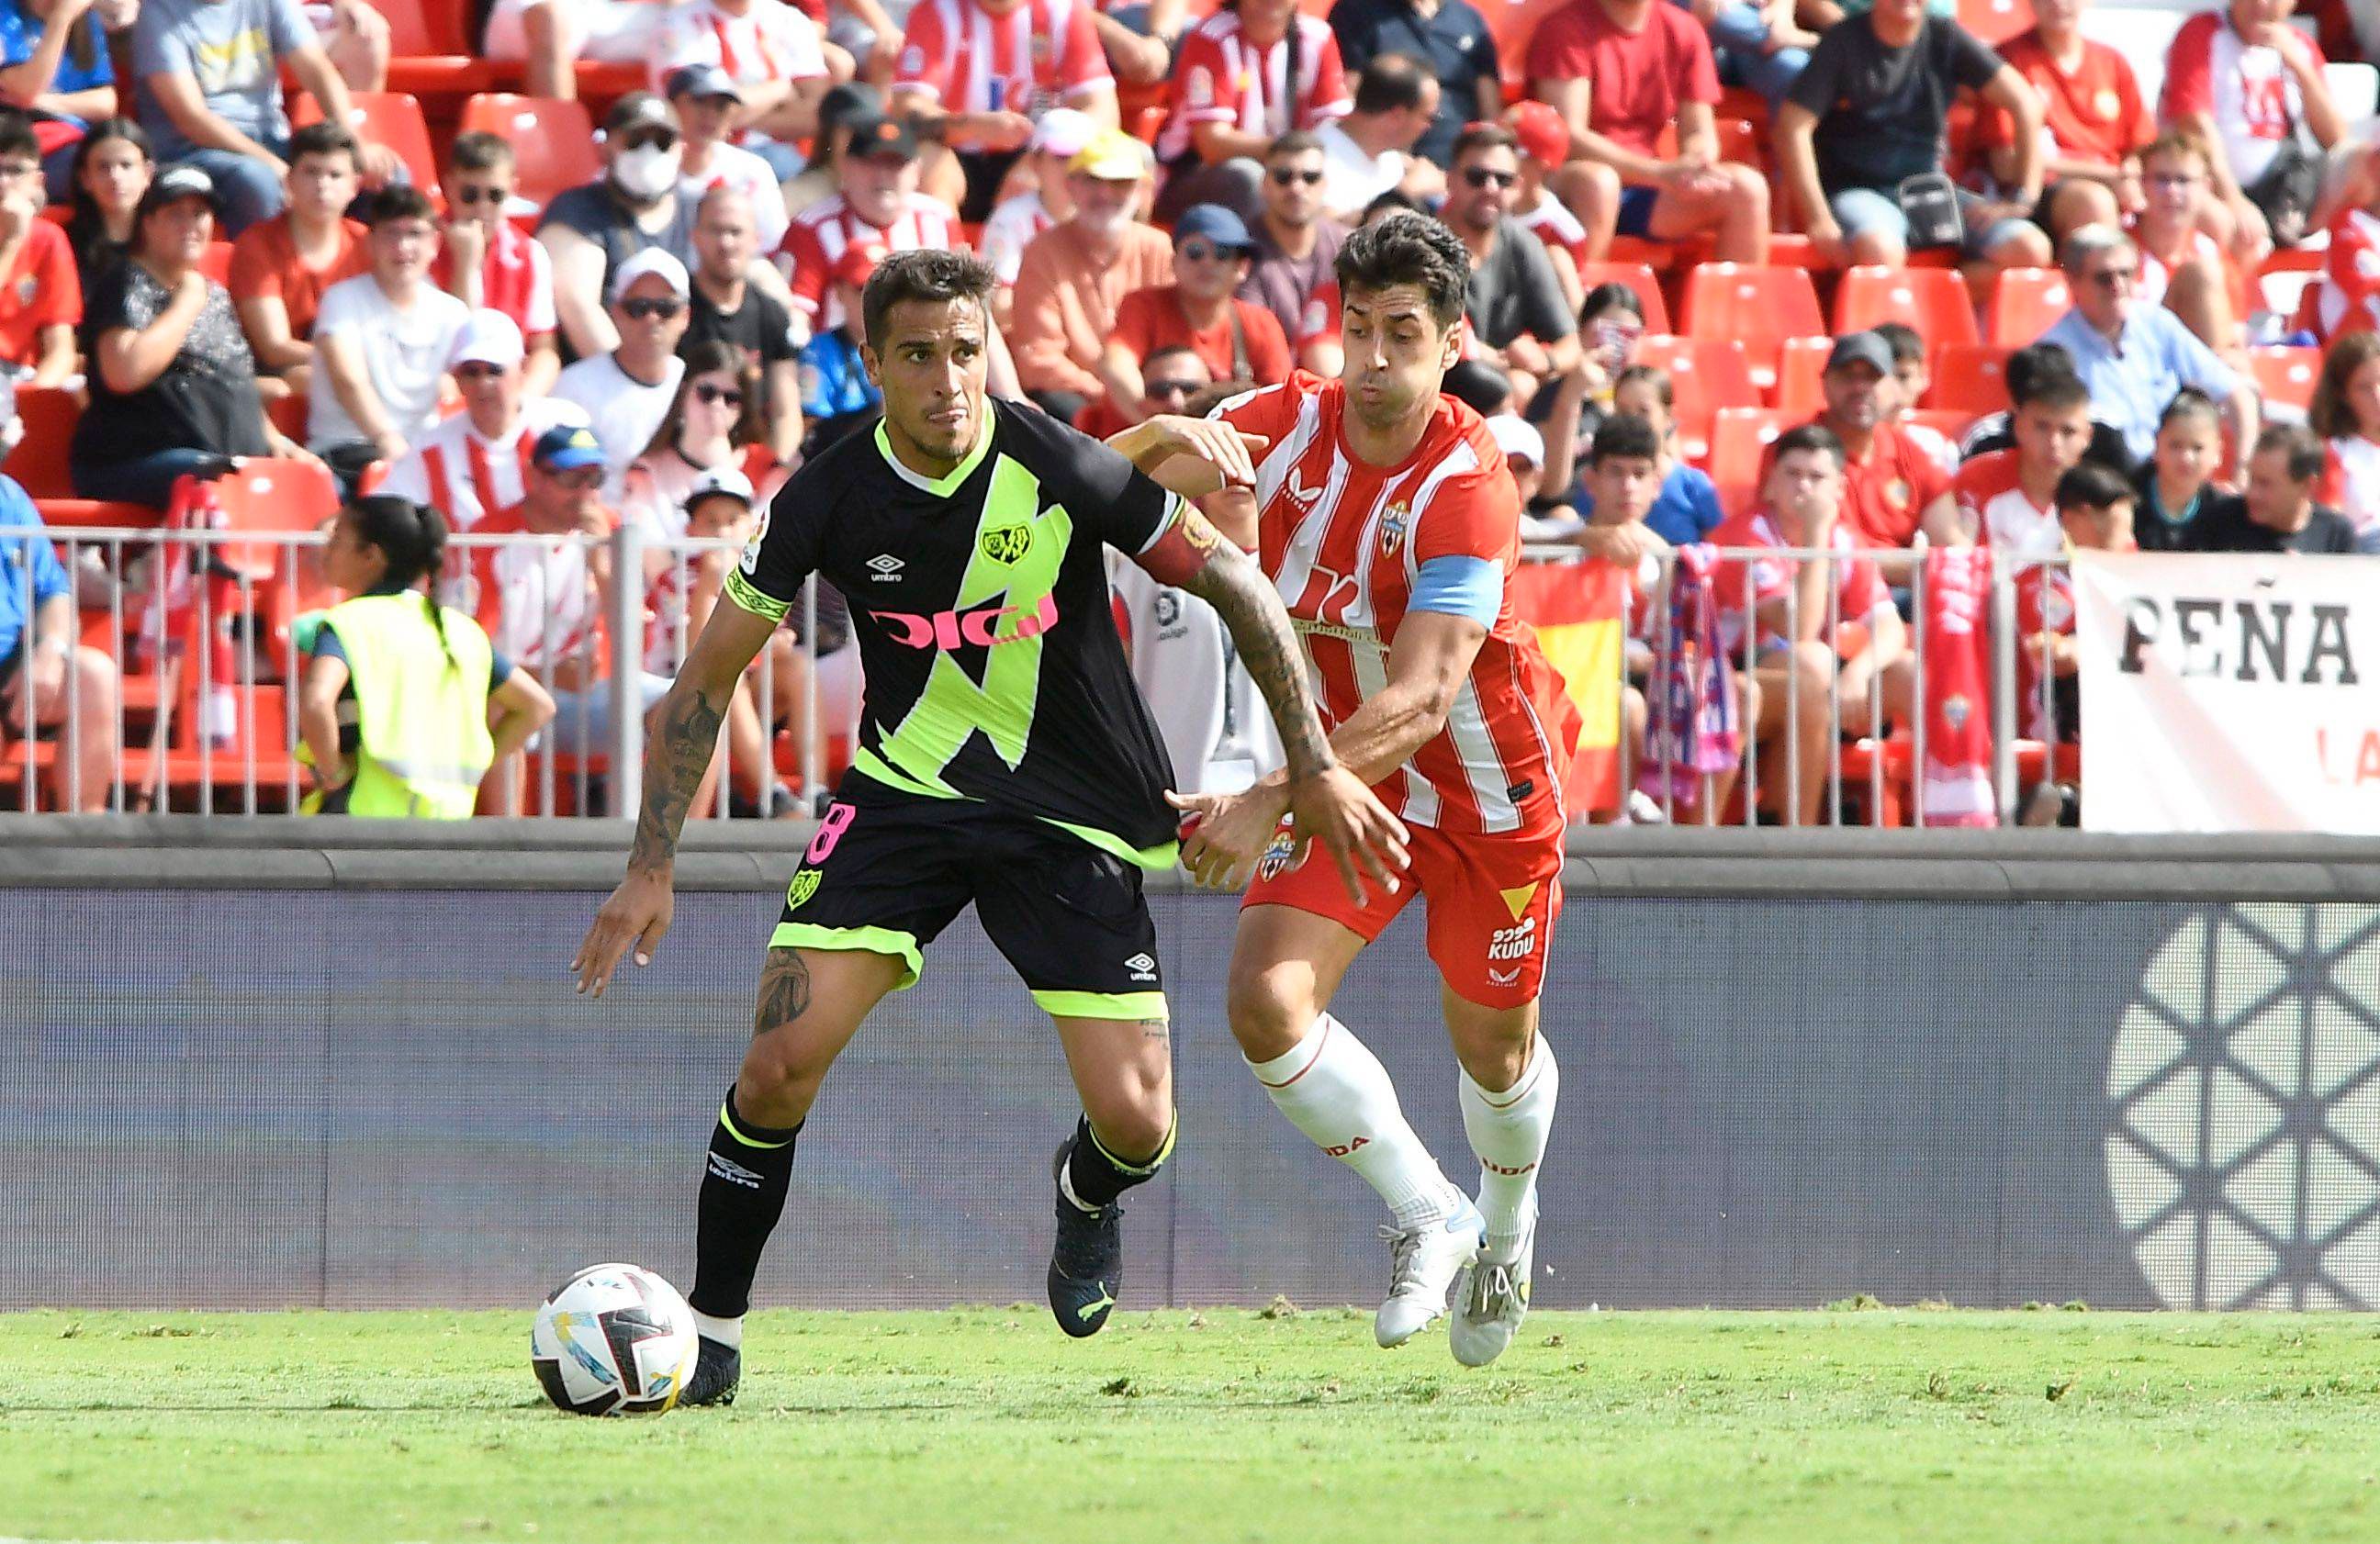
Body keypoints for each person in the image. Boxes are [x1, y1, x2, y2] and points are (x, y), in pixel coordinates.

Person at [571, 248, 1399, 1398]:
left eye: (966, 351)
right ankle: (710, 1337)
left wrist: (1306, 768)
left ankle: (1086, 1190)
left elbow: (1241, 588)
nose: (948, 379)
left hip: (1075, 814)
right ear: (872, 365)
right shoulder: (824, 493)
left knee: (1140, 1123)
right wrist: (648, 867)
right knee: (775, 1065)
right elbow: (705, 681)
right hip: (902, 800)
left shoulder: (1054, 460)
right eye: (918, 355)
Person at [1167, 212, 1579, 1367]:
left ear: (1452, 341)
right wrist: (1149, 435)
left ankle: (1505, 1227)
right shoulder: (1282, 422)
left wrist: (1266, 799)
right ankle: (1426, 1209)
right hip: (1353, 784)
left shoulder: (1469, 482)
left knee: (1493, 1050)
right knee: (1263, 1003)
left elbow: (1427, 694)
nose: (1378, 356)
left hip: (1487, 792)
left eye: (1405, 332)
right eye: (1359, 329)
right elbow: (1128, 479)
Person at [1708, 422, 1913, 828]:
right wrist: (1817, 535)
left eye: (1817, 477)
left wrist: (1858, 674)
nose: (1803, 486)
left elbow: (1889, 626)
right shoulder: (1742, 540)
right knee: (1812, 659)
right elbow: (1798, 628)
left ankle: (1946, 820)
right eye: (1792, 473)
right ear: (1770, 483)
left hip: (1815, 682)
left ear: (1839, 488)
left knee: (1908, 670)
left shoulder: (1846, 540)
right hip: (1736, 678)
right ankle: (1796, 830)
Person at [299, 496, 555, 818]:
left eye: (337, 540)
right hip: (447, 824)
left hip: (362, 818)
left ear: (370, 556)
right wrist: (478, 764)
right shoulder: (462, 631)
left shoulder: (350, 622)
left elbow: (316, 701)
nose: (327, 550)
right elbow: (537, 706)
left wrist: (332, 770)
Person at [71, 167, 310, 508]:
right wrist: (185, 304)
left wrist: (272, 439)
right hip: (138, 459)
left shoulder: (213, 293)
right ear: (148, 223)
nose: (190, 225)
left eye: (199, 214)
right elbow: (123, 372)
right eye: (175, 214)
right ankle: (162, 563)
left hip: (227, 454)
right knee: (221, 481)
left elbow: (232, 378)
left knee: (319, 485)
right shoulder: (125, 281)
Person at [1775, 0, 2050, 282]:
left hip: (1928, 189)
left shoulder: (1945, 35)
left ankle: (1936, 302)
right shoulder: (1843, 41)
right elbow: (1792, 126)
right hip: (1858, 189)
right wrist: (1818, 217)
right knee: (1879, 250)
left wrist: (2023, 197)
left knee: (2030, 250)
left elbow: (2025, 103)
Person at [1528, 0, 1771, 265]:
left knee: (1747, 189)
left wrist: (1695, 162)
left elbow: (1699, 130)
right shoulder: (1565, 29)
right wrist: (1658, 173)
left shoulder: (1683, 28)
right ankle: (1584, 301)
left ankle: (1738, 304)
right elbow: (1569, 137)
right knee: (1600, 183)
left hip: (1646, 188)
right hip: (1574, 182)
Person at [129, 0, 394, 236]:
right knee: (260, 183)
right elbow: (191, 117)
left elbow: (317, 70)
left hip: (269, 138)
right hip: (193, 150)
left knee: (385, 175)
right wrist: (273, 165)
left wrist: (353, 145)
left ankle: (367, 280)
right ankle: (267, 279)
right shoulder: (158, 12)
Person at [2037, 223, 2257, 466]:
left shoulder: (2157, 324)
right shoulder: (2054, 352)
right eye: (2104, 278)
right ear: (2073, 283)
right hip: (2105, 482)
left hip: (2168, 478)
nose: (2118, 286)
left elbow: (2237, 395)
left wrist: (2243, 470)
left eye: (2126, 274)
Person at [889, 0, 1120, 223]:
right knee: (927, 161)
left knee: (1062, 165)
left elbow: (1103, 110)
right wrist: (974, 126)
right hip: (956, 153)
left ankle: (1053, 257)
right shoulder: (935, 11)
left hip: (1032, 155)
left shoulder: (1064, 11)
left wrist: (1036, 158)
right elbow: (908, 108)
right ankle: (944, 256)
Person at [309, 185, 472, 481]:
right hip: (349, 449)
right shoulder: (342, 300)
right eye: (392, 234)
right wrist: (386, 438)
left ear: (434, 243)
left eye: (415, 234)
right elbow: (349, 381)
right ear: (370, 243)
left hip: (420, 450)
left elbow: (476, 365)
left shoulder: (451, 311)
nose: (403, 247)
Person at [1009, 129, 1173, 422]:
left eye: (1120, 183)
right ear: (1071, 186)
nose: (1105, 194)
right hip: (1077, 402)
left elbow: (1176, 340)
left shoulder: (1158, 247)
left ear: (1141, 190)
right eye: (1093, 181)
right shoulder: (1042, 251)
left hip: (1156, 397)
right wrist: (1109, 395)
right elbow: (1038, 360)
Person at [377, 310, 591, 532]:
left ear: (522, 370)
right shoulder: (430, 448)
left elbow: (595, 500)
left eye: (495, 371)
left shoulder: (565, 424)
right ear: (458, 380)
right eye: (471, 372)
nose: (483, 383)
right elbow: (384, 514)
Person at [2161, 0, 2344, 257]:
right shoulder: (2203, 32)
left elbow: (2335, 138)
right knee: (2230, 226)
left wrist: (2299, 67)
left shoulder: (2299, 44)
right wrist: (2233, 199)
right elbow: (2193, 124)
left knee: (2363, 167)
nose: (2261, 4)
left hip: (2284, 185)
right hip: (2218, 185)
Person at [1095, 204, 1291, 430]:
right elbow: (1115, 365)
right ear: (1174, 262)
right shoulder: (1143, 305)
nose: (1207, 263)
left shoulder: (1260, 323)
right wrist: (1160, 429)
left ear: (1242, 267)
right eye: (1195, 253)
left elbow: (1282, 400)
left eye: (1222, 254)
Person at [537, 94, 700, 364]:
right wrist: (634, 382)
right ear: (606, 148)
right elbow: (577, 306)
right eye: (635, 142)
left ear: (681, 150)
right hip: (603, 379)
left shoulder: (699, 211)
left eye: (662, 143)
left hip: (690, 380)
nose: (649, 153)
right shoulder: (575, 211)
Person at [1156, 0, 1352, 223]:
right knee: (1251, 177)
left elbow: (1337, 125)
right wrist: (1289, 151)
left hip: (1287, 170)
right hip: (1193, 173)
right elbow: (1212, 144)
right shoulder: (1211, 37)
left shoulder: (1318, 37)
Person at [1979, 0, 2155, 241]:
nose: (2058, 4)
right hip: (2040, 193)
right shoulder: (2007, 62)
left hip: (2116, 183)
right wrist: (2106, 175)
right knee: (2094, 203)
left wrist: (2129, 174)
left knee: (2202, 211)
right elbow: (2006, 165)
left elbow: (2142, 145)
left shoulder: (2112, 62)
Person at [779, 111, 960, 344]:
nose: (882, 176)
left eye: (895, 164)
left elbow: (968, 308)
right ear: (845, 167)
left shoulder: (938, 221)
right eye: (871, 163)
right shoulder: (811, 228)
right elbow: (795, 321)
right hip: (835, 370)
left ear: (916, 171)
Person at [0, 459, 118, 811]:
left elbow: (55, 592)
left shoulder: (9, 497)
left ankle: (84, 840)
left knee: (93, 675)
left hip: (11, 666)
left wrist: (51, 649)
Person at [1442, 124, 1580, 414]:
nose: (1490, 189)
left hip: (1505, 385)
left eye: (1503, 180)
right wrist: (1481, 354)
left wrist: (1545, 362)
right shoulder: (1423, 242)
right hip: (1440, 381)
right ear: (1451, 180)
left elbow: (1570, 343)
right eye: (1476, 177)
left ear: (1517, 187)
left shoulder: (1524, 245)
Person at [228, 118, 366, 397]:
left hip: (359, 362)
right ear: (289, 180)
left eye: (335, 175)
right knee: (313, 379)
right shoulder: (257, 244)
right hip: (286, 368)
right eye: (311, 172)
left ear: (355, 186)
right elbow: (274, 347)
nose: (322, 185)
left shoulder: (366, 243)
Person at [554, 248, 693, 504]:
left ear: (685, 316)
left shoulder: (700, 387)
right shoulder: (574, 387)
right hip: (602, 534)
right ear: (615, 312)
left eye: (665, 309)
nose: (652, 319)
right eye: (638, 308)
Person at [433, 132, 560, 398]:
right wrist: (466, 266)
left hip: (509, 393)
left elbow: (544, 351)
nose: (482, 207)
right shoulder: (423, 248)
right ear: (448, 187)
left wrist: (522, 401)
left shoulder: (530, 254)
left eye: (495, 195)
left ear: (512, 190)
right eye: (469, 195)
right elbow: (453, 347)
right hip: (443, 391)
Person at [683, 185, 803, 469]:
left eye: (736, 232)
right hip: (683, 455)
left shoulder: (771, 313)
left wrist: (773, 471)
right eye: (715, 230)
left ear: (756, 241)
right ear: (695, 237)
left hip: (749, 461)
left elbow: (786, 412)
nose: (726, 243)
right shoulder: (675, 309)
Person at [1805, 330, 1955, 550]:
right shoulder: (1796, 452)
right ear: (1824, 382)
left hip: (1907, 581)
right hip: (1832, 582)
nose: (1859, 387)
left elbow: (1950, 540)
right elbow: (1832, 552)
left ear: (1894, 387)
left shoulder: (1912, 455)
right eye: (1848, 376)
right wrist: (1918, 567)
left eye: (1873, 377)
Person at [650, 0, 832, 181]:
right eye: (721, 106)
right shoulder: (678, 22)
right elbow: (689, 112)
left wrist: (732, 113)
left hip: (785, 157)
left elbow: (816, 116)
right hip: (708, 157)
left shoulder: (791, 21)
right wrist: (781, 89)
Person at [1947, 359, 2094, 567]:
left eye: (2068, 432)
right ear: (2018, 426)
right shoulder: (1976, 478)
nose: (2054, 443)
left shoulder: (2099, 495)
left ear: (2087, 437)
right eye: (2042, 427)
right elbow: (1958, 565)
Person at [1326, 0, 1501, 168]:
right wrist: (1395, 163)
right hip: (1388, 160)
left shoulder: (1469, 19)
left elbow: (1489, 116)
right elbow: (1350, 97)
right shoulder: (1355, 10)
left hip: (1462, 169)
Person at [2127, 129, 2247, 359]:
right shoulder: (2117, 250)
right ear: (2143, 184)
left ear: (2206, 188)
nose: (2172, 191)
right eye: (2161, 179)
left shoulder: (2213, 255)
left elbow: (2235, 338)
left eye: (2183, 180)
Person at [1575, 366, 1724, 544]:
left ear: (1668, 416)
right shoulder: (1600, 481)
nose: (1633, 419)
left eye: (1644, 411)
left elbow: (1720, 554)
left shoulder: (1694, 485)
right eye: (1623, 410)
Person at [665, 63, 793, 259]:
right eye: (699, 102)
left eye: (721, 106)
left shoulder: (753, 170)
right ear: (672, 106)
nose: (710, 115)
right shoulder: (651, 168)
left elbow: (773, 245)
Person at [2183, 422, 2369, 553]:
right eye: (2252, 480)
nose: (2252, 493)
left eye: (2265, 484)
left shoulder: (2336, 536)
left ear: (2306, 486)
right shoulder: (2217, 523)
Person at [978, 107, 1096, 313]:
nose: (1072, 168)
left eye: (1083, 158)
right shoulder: (1010, 219)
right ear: (1035, 163)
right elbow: (998, 303)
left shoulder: (1108, 216)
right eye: (1061, 157)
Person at [1243, 131, 1349, 356]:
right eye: (1284, 177)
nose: (1297, 188)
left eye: (1310, 177)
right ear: (1264, 184)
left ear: (1324, 185)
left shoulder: (1349, 247)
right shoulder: (1241, 248)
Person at [0, 0, 116, 204]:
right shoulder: (6, 12)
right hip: (21, 135)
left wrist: (46, 102)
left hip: (73, 137)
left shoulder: (86, 20)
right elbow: (26, 87)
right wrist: (61, 19)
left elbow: (106, 102)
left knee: (113, 166)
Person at [1313, 52, 1440, 222]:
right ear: (1397, 116)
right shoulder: (1316, 158)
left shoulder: (1391, 157)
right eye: (1429, 118)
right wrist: (1405, 192)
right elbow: (1323, 229)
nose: (1430, 127)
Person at [0, 114, 76, 386]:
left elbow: (60, 348)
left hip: (20, 375)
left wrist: (34, 398)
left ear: (37, 182)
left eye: (15, 171)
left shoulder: (48, 239)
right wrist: (11, 241)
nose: (3, 182)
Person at [797, 240, 884, 452]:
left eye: (881, 289)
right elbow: (810, 433)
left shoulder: (910, 346)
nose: (871, 299)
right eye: (860, 289)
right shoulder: (819, 353)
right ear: (838, 292)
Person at [483, 0, 668, 99]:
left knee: (679, 24)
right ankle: (559, 146)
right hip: (519, 13)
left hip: (588, 11)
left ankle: (689, 161)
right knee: (549, 19)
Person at [1506, 97, 1598, 295]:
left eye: (1512, 149)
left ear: (1541, 166)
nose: (1499, 155)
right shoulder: (1476, 201)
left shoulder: (1564, 232)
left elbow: (1571, 301)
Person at [62, 116, 149, 295]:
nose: (115, 177)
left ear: (147, 174)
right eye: (103, 167)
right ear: (85, 178)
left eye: (126, 165)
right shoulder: (65, 244)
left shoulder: (164, 241)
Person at [2131, 386, 2225, 549]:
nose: (2186, 458)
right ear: (2157, 444)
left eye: (2198, 448)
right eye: (2175, 446)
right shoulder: (2129, 501)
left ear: (2217, 453)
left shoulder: (2223, 513)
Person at [2311, 330, 2380, 544]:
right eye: (2363, 388)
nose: (2377, 396)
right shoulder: (2337, 452)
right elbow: (2330, 522)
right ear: (2343, 395)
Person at [1869, 321, 1958, 474]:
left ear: (1924, 378)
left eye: (1903, 377)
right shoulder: (1846, 444)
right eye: (1880, 376)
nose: (1892, 387)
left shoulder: (1934, 446)